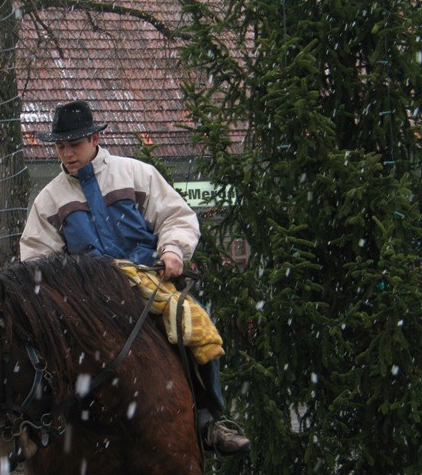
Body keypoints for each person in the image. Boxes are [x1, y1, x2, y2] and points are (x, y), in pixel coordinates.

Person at [20, 100, 250, 456]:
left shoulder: (135, 173)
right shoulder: (48, 200)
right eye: (61, 146)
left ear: (95, 138)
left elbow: (177, 217)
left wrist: (173, 250)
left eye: (74, 144)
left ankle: (208, 419)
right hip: (89, 305)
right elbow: (36, 259)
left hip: (150, 284)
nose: (67, 153)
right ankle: (40, 431)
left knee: (196, 326)